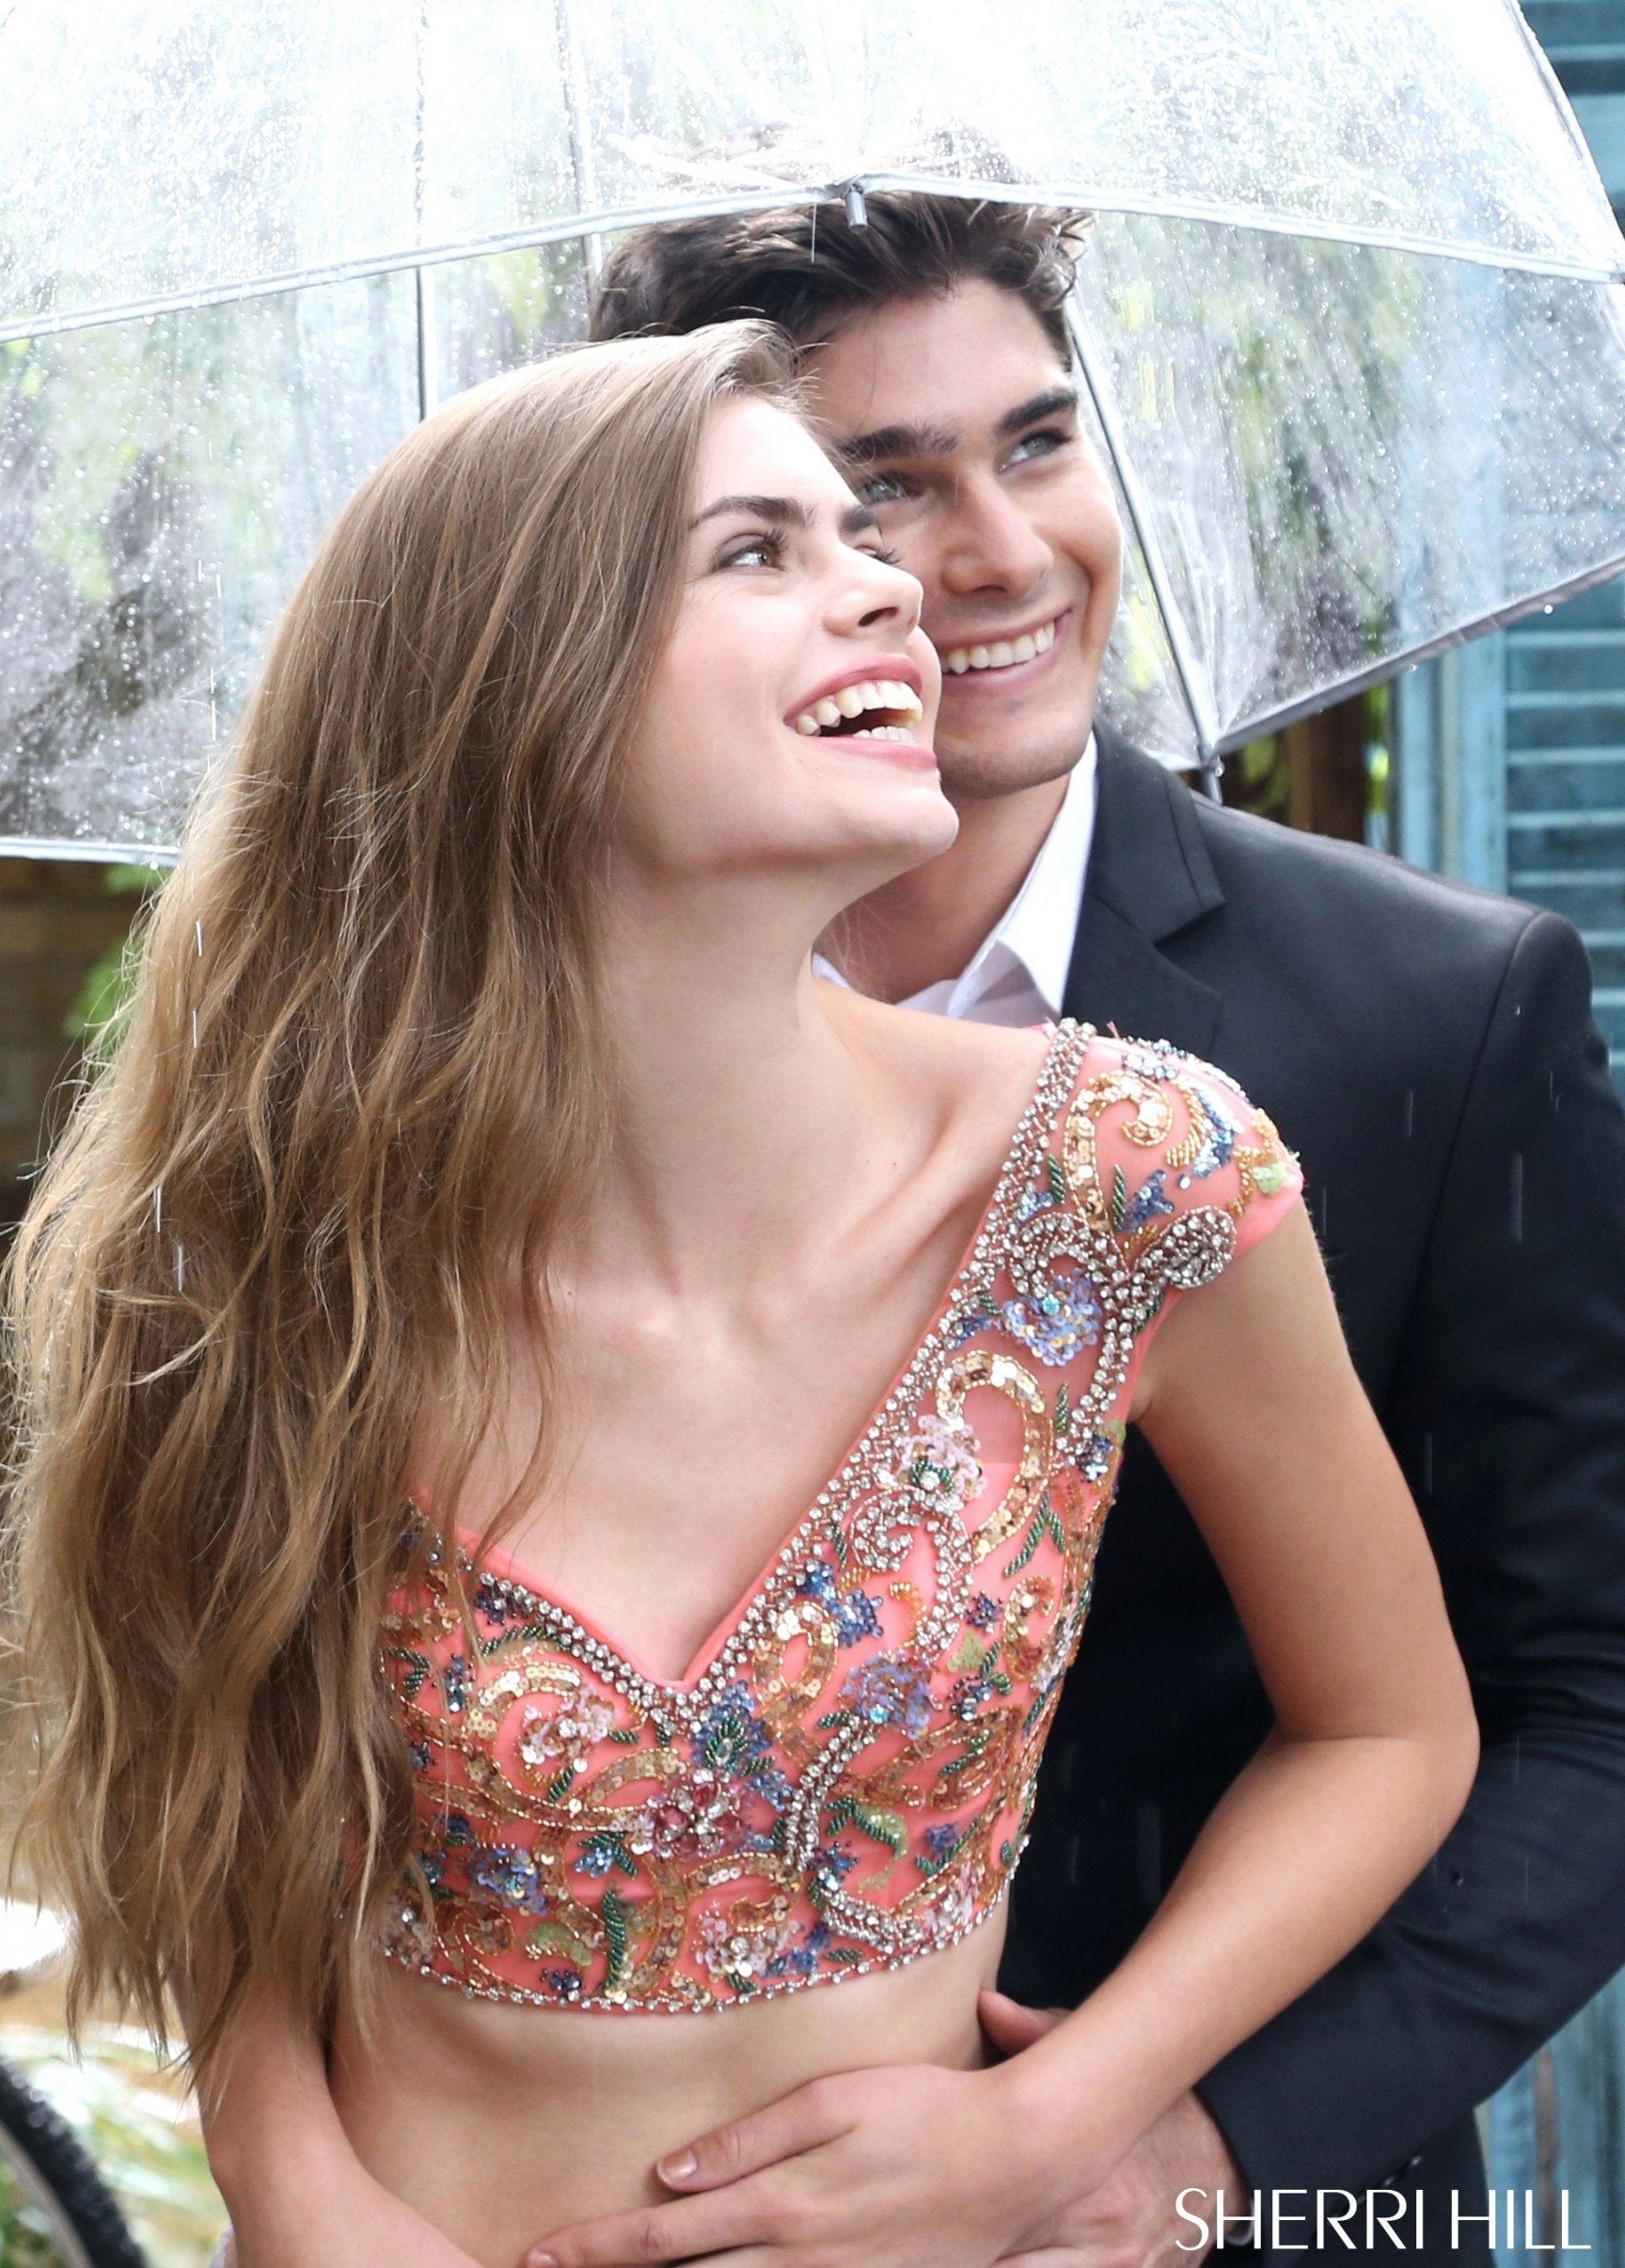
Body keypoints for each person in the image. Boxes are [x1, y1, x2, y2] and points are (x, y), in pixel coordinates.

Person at [0, 324, 1475, 2268]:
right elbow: (210, 1798)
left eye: (853, 534)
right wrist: (295, 2190)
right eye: (758, 550)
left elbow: (1389, 1733)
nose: (889, 586)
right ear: (517, 687)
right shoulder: (267, 1241)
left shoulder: (1128, 1181)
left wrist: (1055, 2118)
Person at [586, 195, 1625, 2263]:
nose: (999, 551)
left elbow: (1592, 1696)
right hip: (644, 2197)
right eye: (882, 488)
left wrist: (1194, 2145)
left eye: (1039, 443)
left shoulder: (1426, 1017)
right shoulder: (536, 1072)